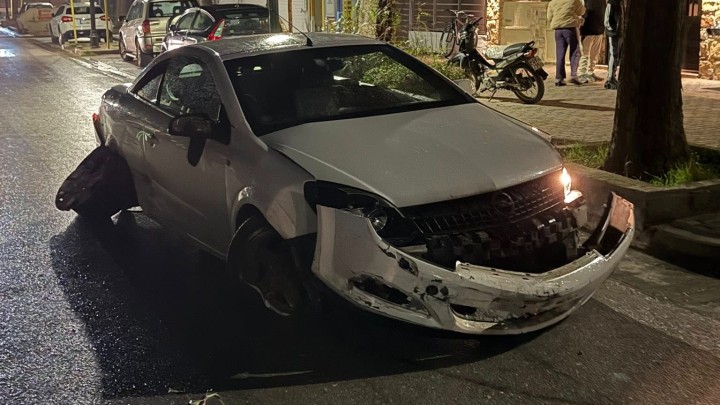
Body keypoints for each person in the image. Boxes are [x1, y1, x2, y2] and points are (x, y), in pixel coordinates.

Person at [547, 0, 586, 86]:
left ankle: (559, 78)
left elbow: (549, 17)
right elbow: (581, 11)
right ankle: (573, 76)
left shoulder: (553, 2)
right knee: (575, 51)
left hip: (558, 30)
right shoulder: (574, 0)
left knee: (560, 54)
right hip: (570, 28)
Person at [578, 0, 605, 83]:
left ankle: (590, 72)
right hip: (587, 30)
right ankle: (582, 73)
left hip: (599, 30)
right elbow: (581, 12)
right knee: (585, 54)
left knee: (594, 54)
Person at [604, 0, 622, 89]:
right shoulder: (612, 3)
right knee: (613, 54)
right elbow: (607, 20)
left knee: (616, 55)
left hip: (619, 33)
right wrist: (613, 29)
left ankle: (613, 76)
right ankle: (610, 78)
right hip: (614, 33)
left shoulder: (620, 3)